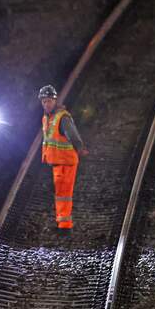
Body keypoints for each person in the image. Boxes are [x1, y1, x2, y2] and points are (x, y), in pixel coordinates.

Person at [39, 85, 89, 233]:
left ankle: (64, 226)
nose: (46, 104)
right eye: (44, 101)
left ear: (55, 100)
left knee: (64, 194)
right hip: (58, 161)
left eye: (49, 101)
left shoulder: (62, 117)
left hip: (66, 161)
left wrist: (80, 148)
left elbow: (72, 135)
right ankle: (62, 223)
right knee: (61, 193)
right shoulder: (47, 118)